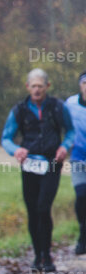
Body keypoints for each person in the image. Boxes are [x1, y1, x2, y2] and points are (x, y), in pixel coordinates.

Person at [0, 68, 73, 272]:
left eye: (41, 86)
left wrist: (64, 147)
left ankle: (47, 255)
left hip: (51, 162)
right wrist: (16, 150)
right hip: (30, 164)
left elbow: (71, 131)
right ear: (27, 87)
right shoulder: (19, 109)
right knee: (32, 211)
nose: (37, 90)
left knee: (43, 207)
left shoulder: (57, 107)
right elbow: (6, 138)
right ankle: (37, 255)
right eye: (33, 86)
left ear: (47, 87)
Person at [63, 70, 86, 255]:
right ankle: (83, 236)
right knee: (81, 197)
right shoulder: (70, 104)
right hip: (78, 157)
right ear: (80, 85)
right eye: (85, 83)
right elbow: (60, 124)